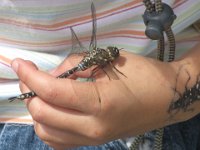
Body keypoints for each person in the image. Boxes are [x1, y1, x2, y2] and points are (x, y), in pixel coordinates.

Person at [0, 0, 200, 150]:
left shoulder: (102, 61)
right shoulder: (106, 65)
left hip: (136, 115)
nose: (115, 54)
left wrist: (184, 77)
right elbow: (114, 71)